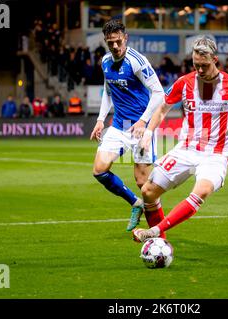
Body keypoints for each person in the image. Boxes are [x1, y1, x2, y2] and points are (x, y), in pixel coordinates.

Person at [131, 36, 228, 242]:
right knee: (148, 192)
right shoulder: (184, 83)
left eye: (204, 65)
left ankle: (154, 233)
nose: (200, 70)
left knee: (202, 190)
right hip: (187, 149)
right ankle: (161, 244)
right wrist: (149, 132)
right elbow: (161, 110)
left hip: (216, 154)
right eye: (196, 65)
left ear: (215, 59)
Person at [89, 19, 164, 232]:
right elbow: (109, 92)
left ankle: (158, 231)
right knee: (99, 170)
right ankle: (135, 203)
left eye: (118, 41)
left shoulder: (137, 61)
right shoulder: (105, 62)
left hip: (141, 127)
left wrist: (143, 120)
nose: (115, 46)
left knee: (144, 184)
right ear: (105, 41)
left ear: (126, 38)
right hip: (119, 125)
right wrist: (100, 119)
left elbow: (159, 92)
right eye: (110, 42)